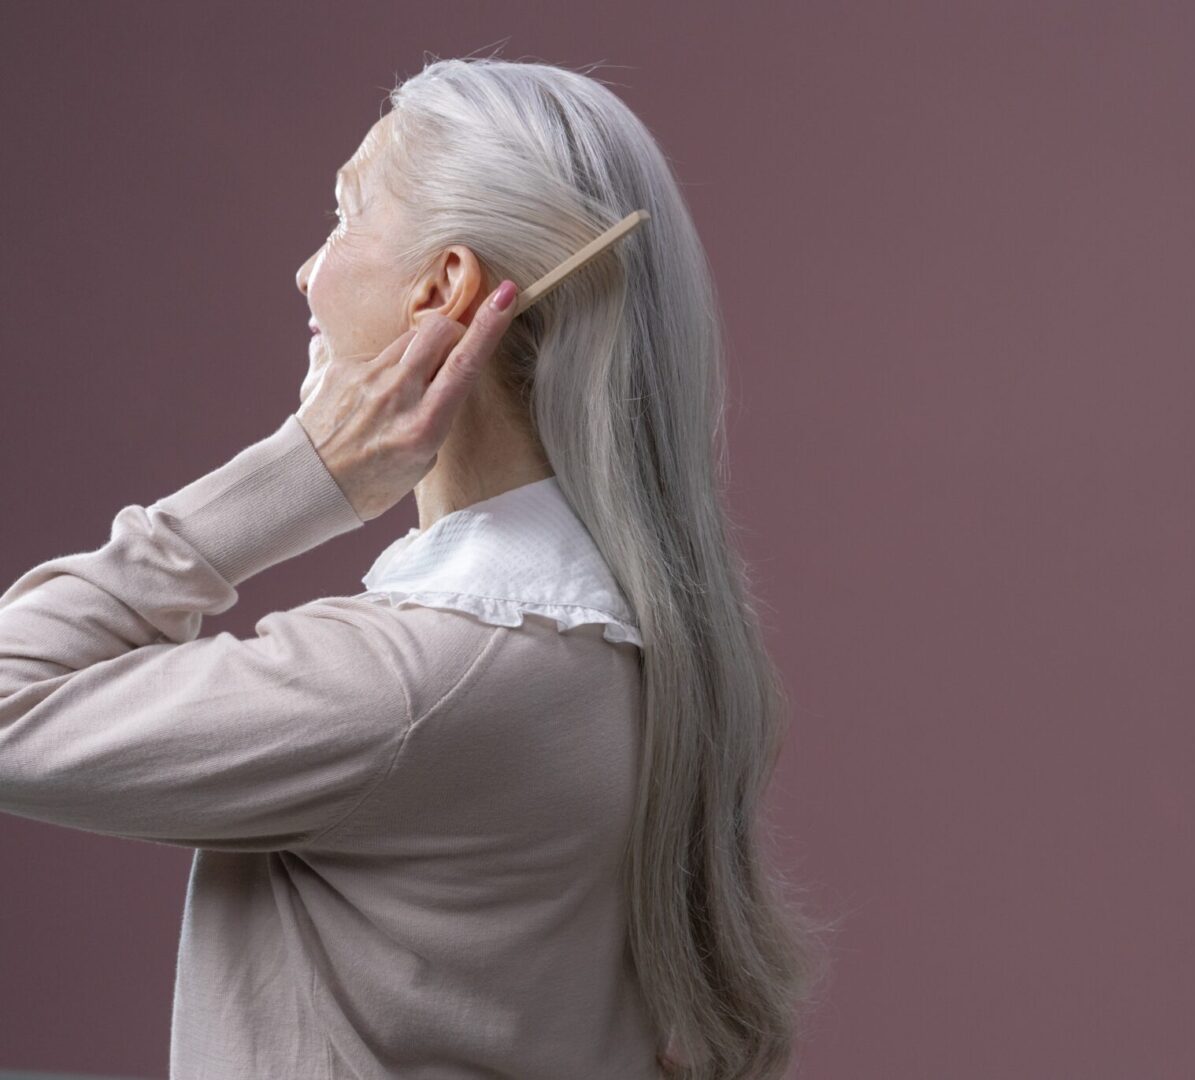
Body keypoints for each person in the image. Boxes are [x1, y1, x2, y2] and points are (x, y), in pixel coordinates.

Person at [0, 56, 829, 1079]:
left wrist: (299, 476)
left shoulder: (409, 689)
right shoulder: (638, 653)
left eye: (346, 214)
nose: (309, 271)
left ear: (446, 289)